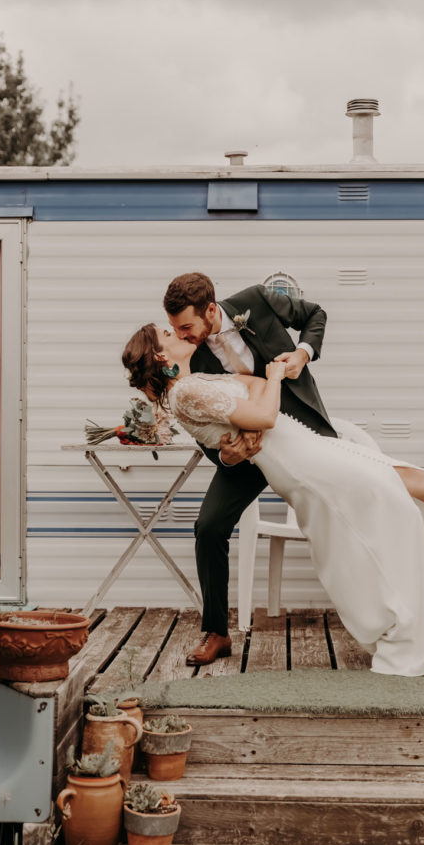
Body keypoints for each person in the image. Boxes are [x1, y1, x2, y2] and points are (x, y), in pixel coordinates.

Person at [121, 323, 424, 677]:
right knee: (399, 503)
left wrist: (260, 401)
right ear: (160, 355)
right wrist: (271, 382)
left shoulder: (198, 379)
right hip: (300, 461)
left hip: (307, 447)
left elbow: (256, 395)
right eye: (166, 334)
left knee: (412, 481)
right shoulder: (186, 392)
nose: (176, 332)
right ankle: (406, 636)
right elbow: (264, 409)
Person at [162, 272, 338, 667]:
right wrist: (227, 457)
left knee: (342, 511)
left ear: (211, 310)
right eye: (176, 329)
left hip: (299, 431)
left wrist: (302, 354)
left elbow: (315, 314)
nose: (183, 336)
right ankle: (217, 632)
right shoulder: (193, 358)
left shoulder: (256, 300)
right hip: (247, 453)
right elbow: (204, 427)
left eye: (186, 327)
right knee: (208, 527)